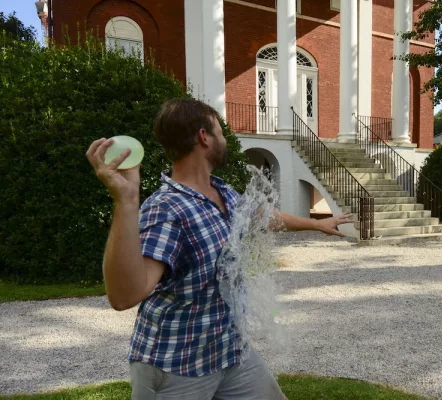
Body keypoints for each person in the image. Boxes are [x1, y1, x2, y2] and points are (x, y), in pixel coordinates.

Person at [85, 98, 353, 399]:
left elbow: (262, 217)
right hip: (176, 366)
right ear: (204, 137)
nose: (226, 139)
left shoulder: (221, 190)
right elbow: (124, 296)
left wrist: (316, 224)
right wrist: (126, 201)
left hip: (229, 352)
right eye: (220, 132)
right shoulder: (166, 209)